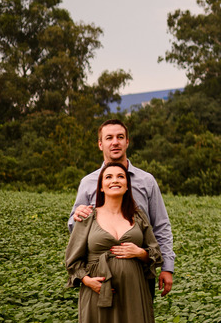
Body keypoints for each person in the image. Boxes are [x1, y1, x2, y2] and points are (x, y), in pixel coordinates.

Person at [65, 161, 161, 323]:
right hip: (98, 292)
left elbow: (154, 251)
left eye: (120, 176)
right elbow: (72, 261)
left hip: (133, 290)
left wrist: (140, 253)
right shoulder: (88, 216)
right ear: (101, 186)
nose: (115, 180)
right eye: (109, 177)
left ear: (128, 185)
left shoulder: (137, 215)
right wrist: (88, 281)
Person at [70, 119, 175, 296]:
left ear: (127, 141)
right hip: (99, 274)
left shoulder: (146, 181)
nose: (115, 142)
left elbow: (161, 226)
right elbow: (75, 230)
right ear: (100, 144)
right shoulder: (88, 183)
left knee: (138, 320)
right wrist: (76, 217)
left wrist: (167, 267)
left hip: (140, 269)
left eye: (120, 137)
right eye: (109, 138)